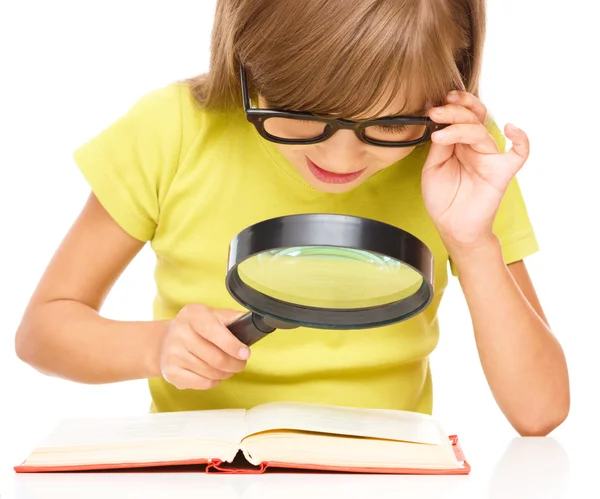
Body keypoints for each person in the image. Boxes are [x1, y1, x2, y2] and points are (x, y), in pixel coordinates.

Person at [15, 0, 569, 436]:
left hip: (387, 477)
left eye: (390, 126)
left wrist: (472, 243)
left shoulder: (464, 155)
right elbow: (42, 330)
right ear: (245, 58)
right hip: (200, 476)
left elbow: (540, 411)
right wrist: (155, 347)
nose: (339, 159)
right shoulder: (173, 129)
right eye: (301, 115)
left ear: (450, 93)